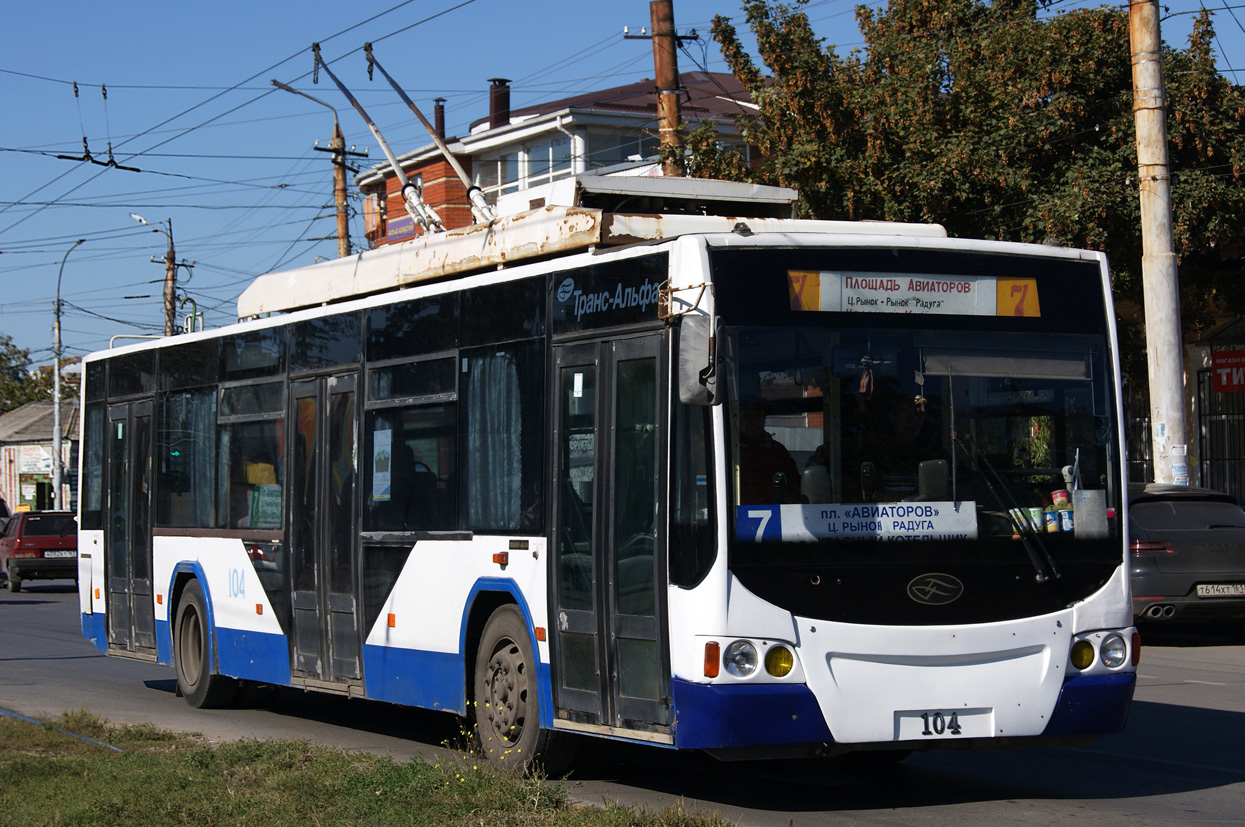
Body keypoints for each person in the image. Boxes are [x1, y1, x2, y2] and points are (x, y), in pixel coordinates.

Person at [737, 399, 800, 504]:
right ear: (738, 419)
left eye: (758, 417)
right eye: (747, 417)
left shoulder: (778, 451)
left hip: (775, 512)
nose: (753, 422)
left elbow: (794, 488)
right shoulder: (727, 451)